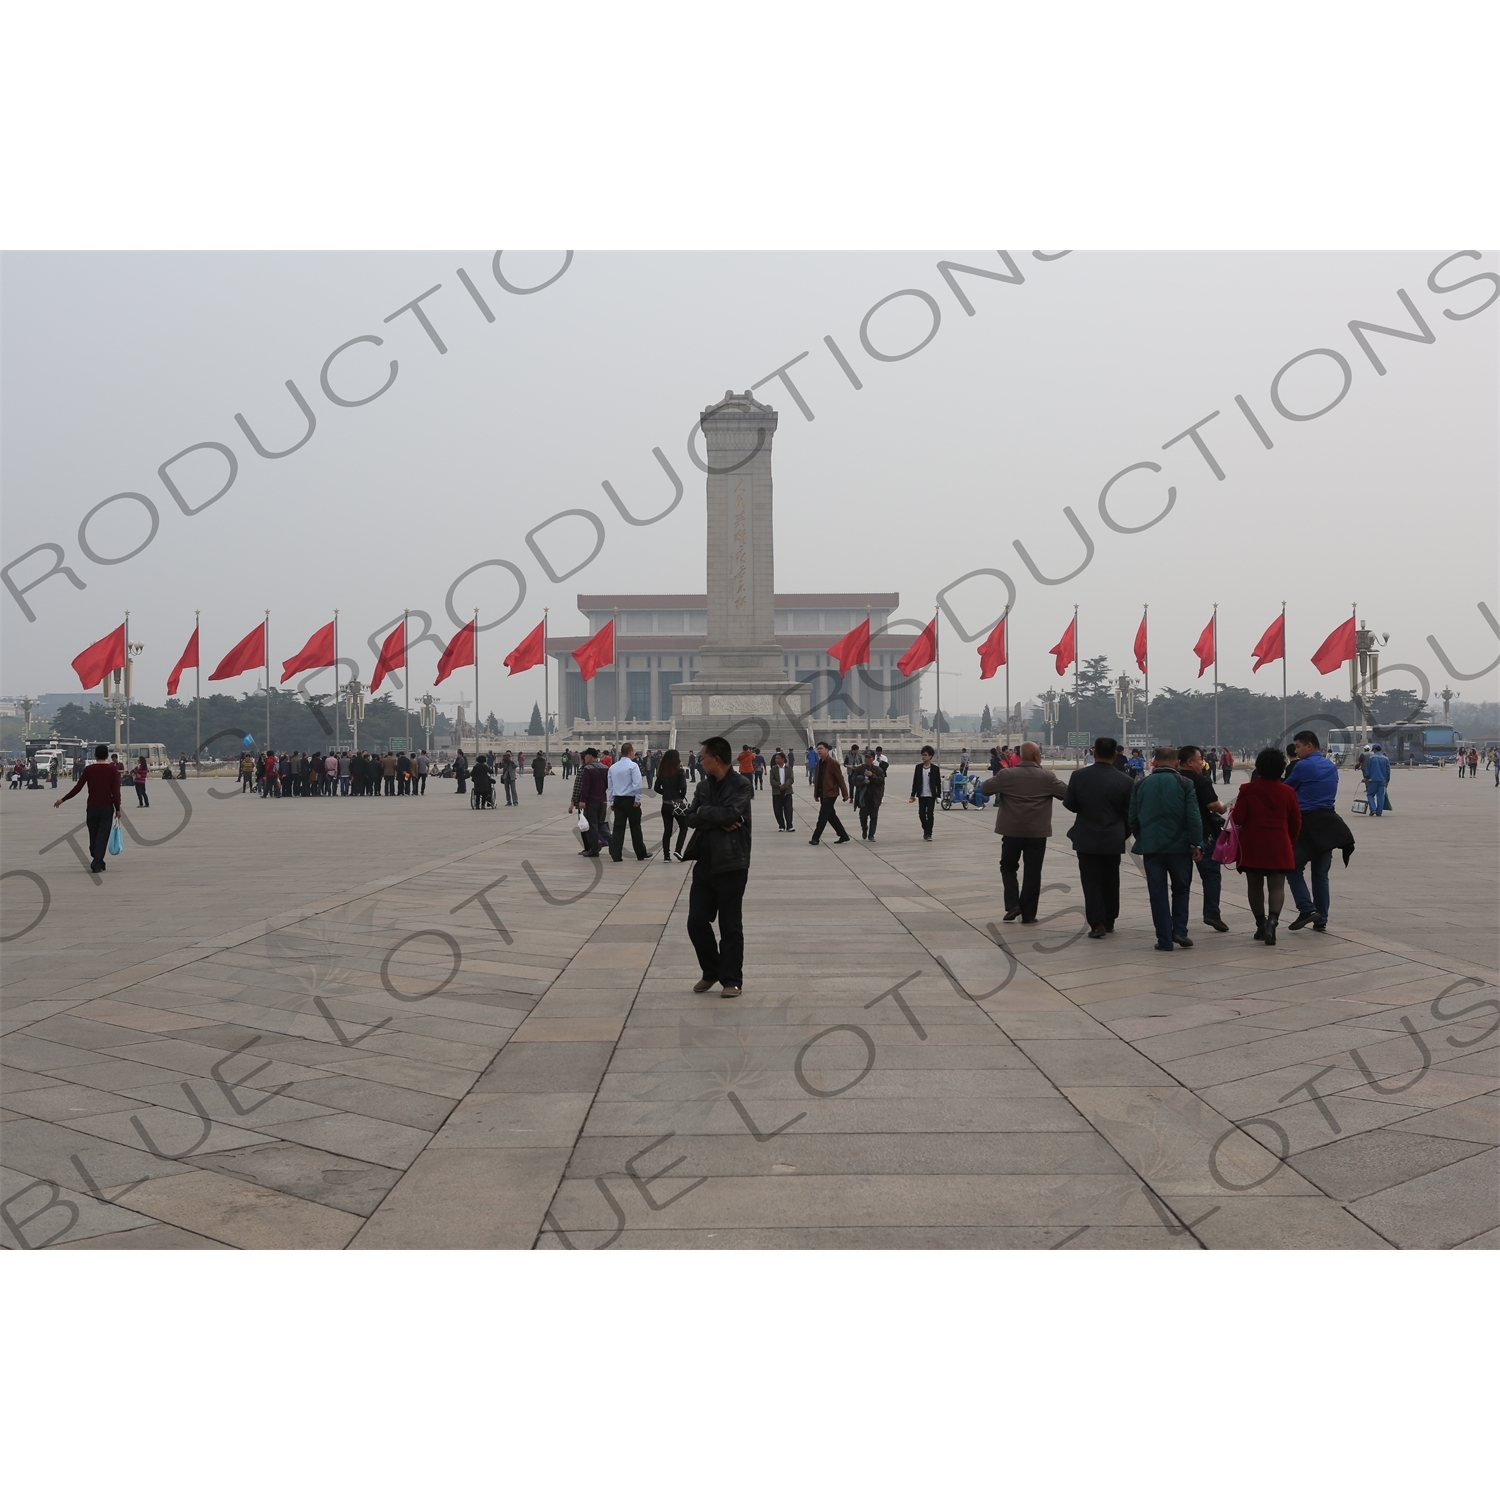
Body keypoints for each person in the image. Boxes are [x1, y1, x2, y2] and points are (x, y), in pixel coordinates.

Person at [679, 735, 752, 997]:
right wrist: (711, 816)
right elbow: (689, 817)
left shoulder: (741, 785)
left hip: (732, 863)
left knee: (730, 925)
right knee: (695, 921)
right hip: (705, 862)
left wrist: (704, 813)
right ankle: (711, 970)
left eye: (703, 758)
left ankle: (731, 979)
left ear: (716, 760)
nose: (700, 761)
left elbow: (733, 815)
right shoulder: (703, 787)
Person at [1127, 746, 1204, 952]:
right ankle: (1179, 930)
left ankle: (1164, 939)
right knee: (1181, 889)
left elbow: (1132, 818)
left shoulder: (1141, 784)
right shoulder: (1185, 783)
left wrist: (1142, 836)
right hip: (1179, 847)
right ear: (1177, 762)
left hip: (1152, 848)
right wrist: (1197, 843)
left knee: (1157, 892)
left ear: (1154, 762)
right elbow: (1193, 817)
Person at [982, 742, 1069, 924]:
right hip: (1037, 833)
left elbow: (986, 789)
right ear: (1037, 756)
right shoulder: (1047, 777)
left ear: (1020, 756)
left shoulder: (1007, 774)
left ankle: (1013, 903)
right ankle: (1029, 914)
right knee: (1033, 872)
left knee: (1008, 866)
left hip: (1011, 831)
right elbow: (1066, 794)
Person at [1063, 736, 1135, 938]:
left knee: (1091, 881)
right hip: (1113, 838)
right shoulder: (1126, 781)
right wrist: (1122, 832)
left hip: (1086, 836)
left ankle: (1097, 922)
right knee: (1111, 879)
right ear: (1115, 754)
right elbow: (1129, 814)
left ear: (1093, 752)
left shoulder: (1079, 776)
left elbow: (1070, 804)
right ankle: (1110, 918)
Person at [1231, 747, 1303, 944]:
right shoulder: (1288, 792)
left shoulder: (1247, 789)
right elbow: (1296, 821)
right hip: (1279, 843)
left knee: (1254, 886)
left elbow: (1238, 818)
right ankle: (1273, 921)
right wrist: (1290, 841)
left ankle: (1260, 924)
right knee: (1277, 886)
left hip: (1252, 844)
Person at [1284, 730, 1350, 932]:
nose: (1296, 750)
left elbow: (1286, 790)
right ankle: (1321, 919)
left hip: (1307, 822)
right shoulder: (1330, 765)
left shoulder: (1303, 766)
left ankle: (1306, 907)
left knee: (1292, 867)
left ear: (1309, 745)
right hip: (1328, 822)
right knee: (1320, 874)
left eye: (1297, 746)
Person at [1179, 745, 1229, 932]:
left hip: (1178, 835)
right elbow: (1212, 805)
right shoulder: (1199, 781)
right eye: (1200, 758)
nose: (1202, 762)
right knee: (1211, 875)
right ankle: (1212, 913)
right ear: (1190, 762)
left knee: (1181, 880)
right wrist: (1223, 808)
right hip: (1203, 833)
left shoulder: (1174, 779)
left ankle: (1179, 922)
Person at [54, 743, 122, 873]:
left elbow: (78, 788)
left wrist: (63, 799)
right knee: (102, 836)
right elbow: (115, 791)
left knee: (94, 836)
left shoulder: (89, 770)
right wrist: (118, 808)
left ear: (95, 755)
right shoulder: (112, 770)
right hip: (106, 808)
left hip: (92, 808)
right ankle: (97, 861)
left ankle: (98, 859)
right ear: (107, 755)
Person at [606, 742, 649, 860]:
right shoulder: (633, 766)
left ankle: (615, 854)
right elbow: (637, 783)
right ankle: (640, 853)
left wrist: (612, 801)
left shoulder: (613, 767)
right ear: (630, 752)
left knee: (618, 828)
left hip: (618, 800)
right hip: (630, 800)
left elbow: (611, 786)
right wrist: (637, 799)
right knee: (635, 827)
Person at [808, 741, 851, 845]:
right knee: (831, 816)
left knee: (822, 816)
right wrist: (816, 794)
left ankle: (815, 838)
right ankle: (843, 835)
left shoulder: (833, 763)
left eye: (821, 748)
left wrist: (845, 794)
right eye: (818, 749)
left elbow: (840, 779)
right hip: (823, 793)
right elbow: (818, 780)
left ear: (827, 750)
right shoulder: (819, 763)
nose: (819, 751)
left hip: (830, 793)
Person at [571, 747, 608, 856]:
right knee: (600, 824)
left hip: (590, 802)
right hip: (602, 801)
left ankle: (593, 849)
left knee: (590, 826)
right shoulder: (605, 767)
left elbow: (583, 788)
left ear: (590, 756)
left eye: (586, 756)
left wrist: (580, 801)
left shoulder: (587, 769)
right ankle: (613, 841)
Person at [654, 747, 688, 860]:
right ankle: (678, 850)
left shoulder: (661, 772)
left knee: (667, 830)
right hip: (677, 803)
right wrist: (680, 796)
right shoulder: (679, 772)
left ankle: (666, 855)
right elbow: (683, 787)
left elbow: (656, 788)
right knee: (683, 827)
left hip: (666, 804)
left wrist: (665, 793)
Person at [909, 745, 941, 840]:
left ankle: (929, 833)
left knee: (930, 814)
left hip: (931, 795)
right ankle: (926, 829)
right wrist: (912, 794)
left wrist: (938, 795)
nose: (923, 757)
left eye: (926, 755)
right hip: (922, 794)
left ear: (930, 756)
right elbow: (915, 781)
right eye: (923, 755)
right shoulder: (918, 768)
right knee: (921, 814)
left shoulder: (935, 769)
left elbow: (938, 783)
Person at [853, 750, 886, 841]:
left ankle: (871, 834)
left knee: (874, 817)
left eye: (869, 757)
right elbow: (854, 781)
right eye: (866, 757)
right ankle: (864, 829)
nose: (867, 759)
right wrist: (862, 782)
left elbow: (881, 781)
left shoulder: (878, 770)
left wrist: (872, 776)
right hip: (864, 797)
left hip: (874, 796)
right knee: (863, 816)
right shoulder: (860, 769)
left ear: (873, 759)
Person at [768, 749, 796, 832]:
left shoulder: (789, 768)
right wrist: (778, 785)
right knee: (777, 809)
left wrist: (785, 785)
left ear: (783, 759)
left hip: (787, 792)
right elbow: (771, 780)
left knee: (788, 809)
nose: (776, 760)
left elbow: (791, 779)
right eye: (776, 758)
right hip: (777, 792)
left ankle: (789, 825)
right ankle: (781, 825)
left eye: (778, 758)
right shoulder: (773, 769)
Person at [1363, 741, 1392, 816]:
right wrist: (1387, 781)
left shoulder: (1371, 758)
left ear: (1374, 749)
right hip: (1382, 780)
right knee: (1380, 796)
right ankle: (1379, 812)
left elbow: (1367, 769)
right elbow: (1388, 771)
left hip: (1372, 780)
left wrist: (1366, 778)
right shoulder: (1385, 759)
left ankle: (1373, 809)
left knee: (1370, 795)